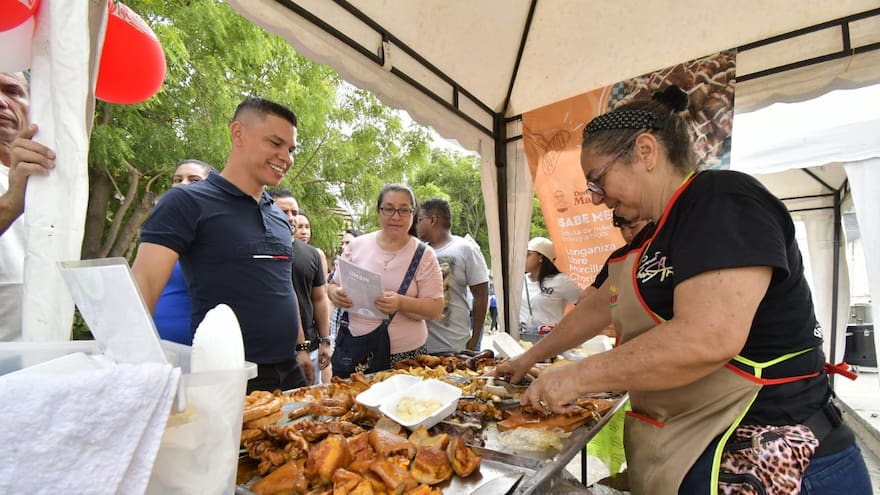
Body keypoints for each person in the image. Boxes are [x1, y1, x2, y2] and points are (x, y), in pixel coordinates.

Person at [498, 86, 871, 494]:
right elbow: (599, 307)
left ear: (645, 151)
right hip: (695, 451)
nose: (599, 200)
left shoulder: (721, 199)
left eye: (598, 181)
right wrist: (529, 358)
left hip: (778, 459)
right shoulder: (651, 239)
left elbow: (708, 337)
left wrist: (577, 377)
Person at [132, 96, 315, 392]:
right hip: (226, 378)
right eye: (275, 143)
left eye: (291, 149)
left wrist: (302, 347)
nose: (286, 157)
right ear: (238, 133)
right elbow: (145, 284)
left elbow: (285, 287)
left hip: (289, 371)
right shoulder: (187, 202)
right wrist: (135, 372)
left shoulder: (279, 217)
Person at [327, 184, 443, 377]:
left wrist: (400, 302)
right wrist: (335, 295)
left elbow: (436, 308)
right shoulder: (357, 246)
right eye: (388, 209)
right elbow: (332, 285)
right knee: (355, 404)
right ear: (378, 211)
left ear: (413, 214)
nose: (396, 216)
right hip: (357, 350)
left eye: (404, 210)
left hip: (404, 355)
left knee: (401, 405)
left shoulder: (423, 254)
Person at [0, 72, 56, 341]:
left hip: (37, 361)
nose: (2, 102)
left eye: (13, 91)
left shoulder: (49, 175)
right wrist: (11, 202)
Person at [269, 189, 332, 385]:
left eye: (294, 213)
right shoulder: (260, 251)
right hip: (271, 352)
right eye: (283, 211)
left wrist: (325, 341)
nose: (290, 218)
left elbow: (319, 299)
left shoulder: (311, 254)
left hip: (311, 349)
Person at [416, 198, 489, 354]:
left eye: (419, 220)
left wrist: (474, 341)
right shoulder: (419, 252)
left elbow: (481, 295)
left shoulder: (465, 249)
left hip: (454, 346)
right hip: (420, 346)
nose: (416, 225)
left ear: (433, 220)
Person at [152, 159, 212, 344]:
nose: (183, 184)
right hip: (154, 348)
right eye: (178, 179)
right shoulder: (158, 236)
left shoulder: (218, 238)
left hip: (194, 352)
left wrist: (302, 347)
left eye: (194, 180)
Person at [519, 236, 580, 338]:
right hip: (521, 340)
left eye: (528, 255)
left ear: (541, 257)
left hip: (549, 341)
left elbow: (586, 303)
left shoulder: (561, 281)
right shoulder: (520, 281)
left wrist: (569, 326)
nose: (523, 259)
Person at [293, 210, 328, 277]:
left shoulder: (318, 254)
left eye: (307, 227)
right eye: (299, 227)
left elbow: (324, 286)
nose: (304, 232)